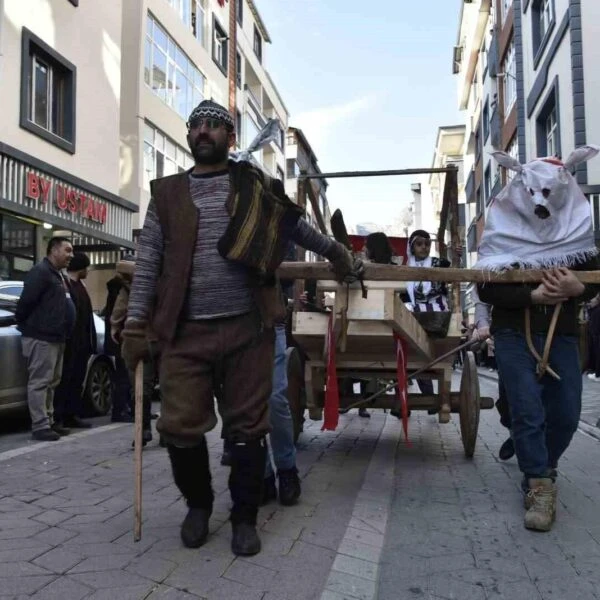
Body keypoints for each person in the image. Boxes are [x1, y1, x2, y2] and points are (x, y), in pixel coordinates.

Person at [120, 100, 362, 557]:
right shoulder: (166, 195)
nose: (205, 132)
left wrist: (338, 254)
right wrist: (135, 324)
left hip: (247, 329)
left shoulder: (255, 185)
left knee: (248, 430)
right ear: (189, 136)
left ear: (230, 139)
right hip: (184, 334)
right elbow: (149, 260)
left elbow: (298, 226)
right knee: (180, 427)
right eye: (198, 126)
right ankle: (198, 504)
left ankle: (245, 516)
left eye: (215, 126)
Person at [476, 146, 600, 532]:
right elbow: (486, 288)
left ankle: (543, 462)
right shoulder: (502, 231)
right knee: (528, 408)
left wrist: (577, 287)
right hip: (513, 332)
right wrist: (530, 296)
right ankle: (538, 482)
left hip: (562, 333)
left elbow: (592, 279)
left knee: (565, 413)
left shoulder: (579, 233)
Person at [16, 237, 75, 441]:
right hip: (41, 337)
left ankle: (49, 421)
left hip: (57, 337)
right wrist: (33, 327)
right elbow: (25, 304)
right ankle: (40, 426)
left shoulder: (57, 275)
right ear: (54, 250)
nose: (71, 255)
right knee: (40, 382)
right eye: (67, 250)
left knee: (52, 382)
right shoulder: (40, 272)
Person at [109, 255, 155, 446]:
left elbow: (119, 311)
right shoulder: (156, 281)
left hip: (138, 339)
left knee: (140, 387)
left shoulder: (127, 288)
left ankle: (143, 429)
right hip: (159, 338)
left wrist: (114, 326)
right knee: (161, 386)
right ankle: (163, 432)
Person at [53, 253, 95, 430]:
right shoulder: (66, 285)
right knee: (65, 379)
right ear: (82, 268)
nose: (88, 271)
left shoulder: (80, 285)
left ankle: (72, 414)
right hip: (71, 341)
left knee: (77, 378)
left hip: (82, 343)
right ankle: (60, 416)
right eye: (87, 267)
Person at [471, 289, 513, 461]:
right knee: (509, 395)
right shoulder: (493, 263)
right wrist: (482, 324)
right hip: (509, 336)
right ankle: (516, 433)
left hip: (554, 335)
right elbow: (482, 298)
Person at [102, 270, 134, 423]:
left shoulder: (118, 287)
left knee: (126, 376)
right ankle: (120, 410)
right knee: (124, 376)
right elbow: (118, 313)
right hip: (122, 339)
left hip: (121, 338)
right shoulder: (122, 289)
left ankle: (128, 408)